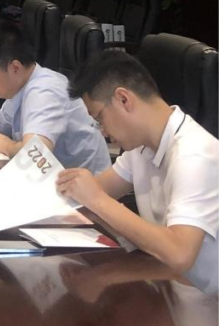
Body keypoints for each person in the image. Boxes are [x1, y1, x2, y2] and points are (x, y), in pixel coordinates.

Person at [56, 51, 217, 296]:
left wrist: (96, 199)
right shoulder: (143, 146)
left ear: (123, 99)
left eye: (99, 118)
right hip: (168, 287)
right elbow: (93, 190)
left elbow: (180, 254)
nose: (102, 131)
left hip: (206, 304)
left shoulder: (195, 155)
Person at [0, 20, 110, 172]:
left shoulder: (44, 91)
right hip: (53, 182)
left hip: (87, 194)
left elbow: (35, 152)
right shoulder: (23, 85)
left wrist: (7, 146)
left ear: (14, 67)